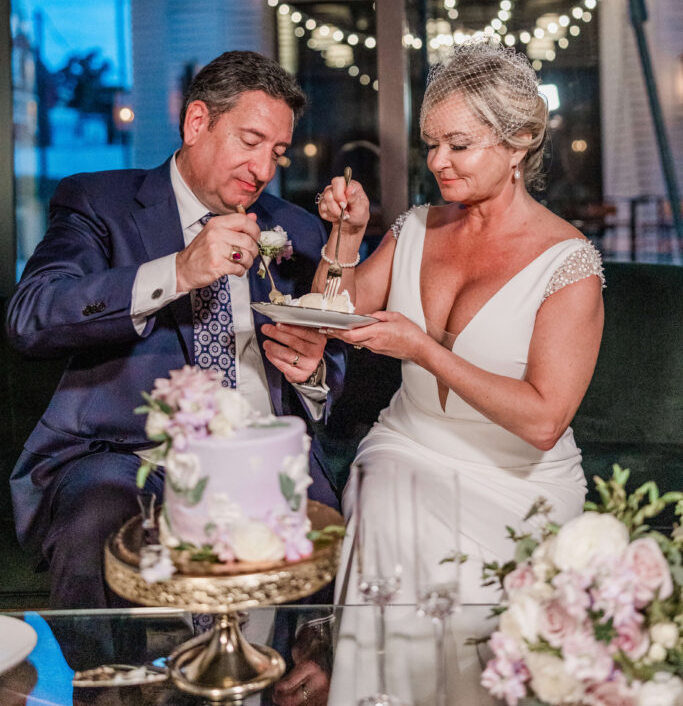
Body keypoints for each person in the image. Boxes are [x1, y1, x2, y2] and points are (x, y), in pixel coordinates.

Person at [7, 50, 346, 609]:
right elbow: (32, 316)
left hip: (265, 449)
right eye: (250, 140)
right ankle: (113, 688)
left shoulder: (295, 229)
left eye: (277, 152)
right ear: (196, 123)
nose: (263, 169)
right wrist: (180, 270)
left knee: (336, 539)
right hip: (131, 453)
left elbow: (328, 360)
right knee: (98, 518)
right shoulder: (101, 203)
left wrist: (312, 371)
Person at [313, 40, 605, 606]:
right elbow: (332, 314)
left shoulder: (569, 263)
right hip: (408, 446)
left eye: (459, 144)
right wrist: (346, 235)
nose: (438, 161)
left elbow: (545, 421)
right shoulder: (415, 228)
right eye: (432, 144)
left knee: (471, 589)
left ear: (519, 142)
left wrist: (422, 348)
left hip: (517, 478)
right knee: (387, 527)